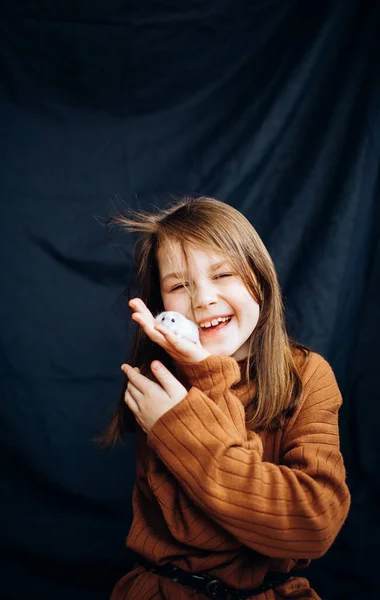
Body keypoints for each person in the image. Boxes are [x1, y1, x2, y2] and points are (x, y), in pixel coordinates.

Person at [105, 197, 351, 600]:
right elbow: (207, 535)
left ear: (259, 277)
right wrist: (206, 376)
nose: (203, 298)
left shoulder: (308, 375)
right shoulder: (162, 383)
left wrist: (184, 427)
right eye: (179, 285)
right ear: (162, 303)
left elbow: (313, 525)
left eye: (222, 274)